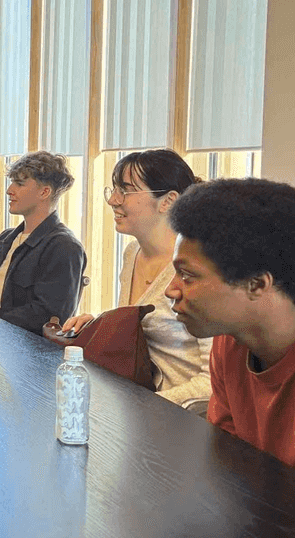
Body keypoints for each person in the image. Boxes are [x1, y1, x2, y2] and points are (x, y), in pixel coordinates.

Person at [61, 150, 211, 404]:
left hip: (178, 413)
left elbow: (212, 382)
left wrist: (143, 407)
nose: (113, 200)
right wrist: (102, 324)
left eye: (126, 191)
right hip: (135, 398)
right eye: (114, 189)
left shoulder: (200, 267)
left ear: (168, 201)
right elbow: (143, 330)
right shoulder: (133, 253)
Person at [165, 178, 295, 467]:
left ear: (256, 284)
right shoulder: (230, 344)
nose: (170, 290)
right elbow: (231, 464)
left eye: (187, 275)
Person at [0, 151, 86, 335]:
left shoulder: (64, 246)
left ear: (44, 192)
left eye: (19, 184)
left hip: (13, 341)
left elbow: (47, 314)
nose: (9, 190)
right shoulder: (6, 238)